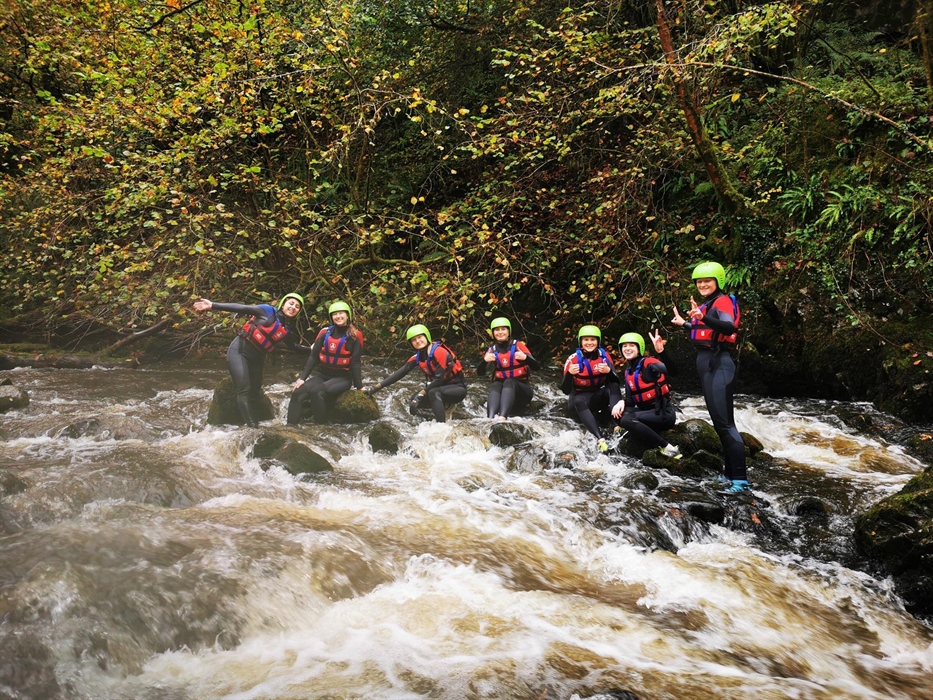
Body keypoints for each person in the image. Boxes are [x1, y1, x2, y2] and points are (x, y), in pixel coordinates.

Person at [672, 261, 748, 492]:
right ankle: (729, 476)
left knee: (725, 424)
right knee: (719, 423)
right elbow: (706, 332)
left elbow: (727, 328)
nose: (702, 284)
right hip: (708, 363)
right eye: (699, 281)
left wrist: (701, 317)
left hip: (719, 364)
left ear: (718, 281)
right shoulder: (708, 304)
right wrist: (685, 323)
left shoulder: (722, 301)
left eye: (707, 280)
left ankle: (740, 481)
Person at [193, 293, 305, 427]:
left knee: (255, 390)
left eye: (297, 307)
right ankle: (253, 427)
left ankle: (247, 420)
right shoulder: (267, 311)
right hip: (239, 351)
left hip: (257, 359)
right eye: (291, 303)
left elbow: (293, 347)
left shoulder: (285, 330)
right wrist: (212, 305)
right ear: (284, 303)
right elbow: (240, 308)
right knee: (244, 389)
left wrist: (314, 349)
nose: (293, 307)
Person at [362, 324, 467, 422]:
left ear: (427, 337)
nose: (417, 341)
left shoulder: (439, 352)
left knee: (432, 393)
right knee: (414, 399)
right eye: (414, 340)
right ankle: (445, 406)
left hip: (457, 388)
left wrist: (421, 394)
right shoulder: (417, 358)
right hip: (440, 389)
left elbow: (438, 380)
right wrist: (375, 388)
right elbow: (398, 374)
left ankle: (441, 427)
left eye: (420, 337)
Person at [286, 301, 363, 424]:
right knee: (297, 393)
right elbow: (313, 357)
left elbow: (355, 363)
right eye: (334, 314)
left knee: (317, 392)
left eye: (341, 313)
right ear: (331, 317)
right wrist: (302, 379)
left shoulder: (355, 336)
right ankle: (289, 428)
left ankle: (320, 428)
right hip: (323, 375)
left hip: (342, 378)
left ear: (348, 315)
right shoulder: (324, 333)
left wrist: (360, 387)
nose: (338, 316)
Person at [611, 330, 681, 458]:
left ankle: (667, 447)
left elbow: (673, 371)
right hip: (647, 413)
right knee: (616, 415)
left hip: (664, 413)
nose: (627, 348)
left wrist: (662, 352)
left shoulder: (648, 363)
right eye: (624, 346)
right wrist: (621, 402)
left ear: (639, 348)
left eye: (631, 345)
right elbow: (631, 402)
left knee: (627, 419)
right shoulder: (628, 372)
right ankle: (636, 431)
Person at [560, 325, 622, 452]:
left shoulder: (604, 357)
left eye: (593, 340)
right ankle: (600, 439)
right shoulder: (573, 359)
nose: (589, 343)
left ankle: (617, 425)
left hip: (596, 397)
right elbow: (565, 390)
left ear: (598, 341)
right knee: (578, 401)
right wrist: (569, 374)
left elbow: (615, 382)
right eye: (586, 340)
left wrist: (609, 371)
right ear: (581, 342)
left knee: (614, 387)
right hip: (579, 399)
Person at [476, 317, 541, 420]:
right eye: (497, 330)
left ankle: (503, 417)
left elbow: (536, 367)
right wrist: (485, 361)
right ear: (493, 333)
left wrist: (525, 358)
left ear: (508, 331)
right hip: (504, 396)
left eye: (503, 329)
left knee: (509, 381)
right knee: (496, 384)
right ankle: (490, 418)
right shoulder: (492, 350)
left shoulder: (519, 346)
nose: (500, 332)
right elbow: (480, 373)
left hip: (522, 393)